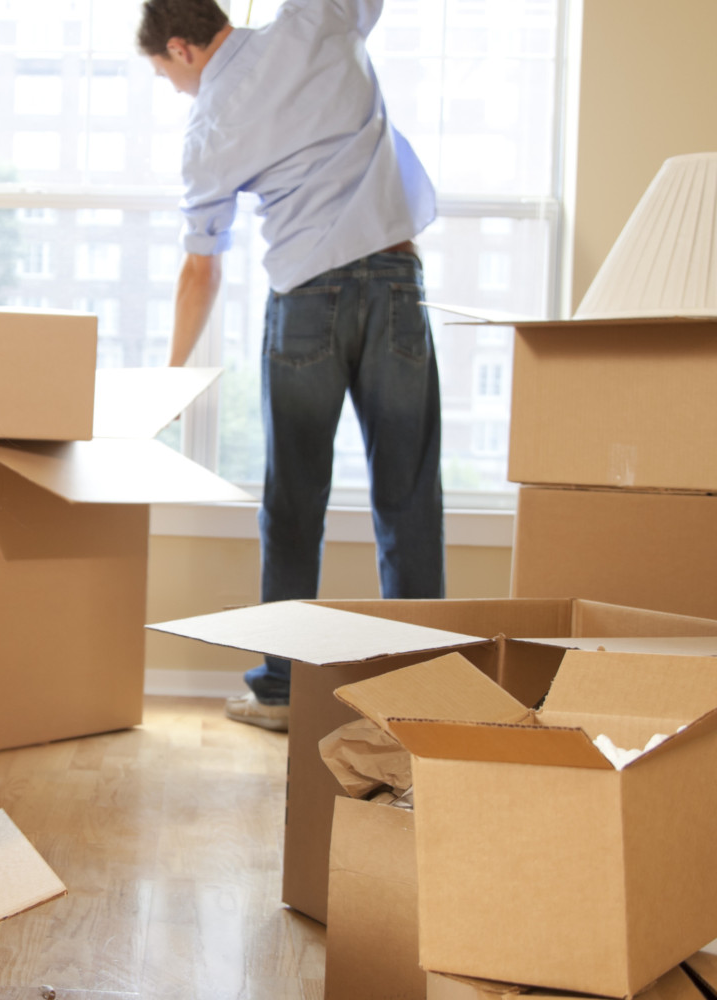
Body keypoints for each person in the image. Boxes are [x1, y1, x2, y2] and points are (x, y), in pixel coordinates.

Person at [141, 0, 444, 732]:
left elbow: (199, 271)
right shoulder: (314, 20)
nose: (177, 90)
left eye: (166, 76)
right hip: (396, 285)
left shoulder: (209, 126)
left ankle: (282, 691)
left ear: (182, 48)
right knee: (408, 503)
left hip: (306, 303)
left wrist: (172, 377)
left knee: (293, 508)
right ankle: (425, 699)